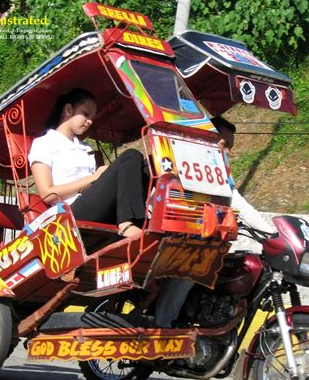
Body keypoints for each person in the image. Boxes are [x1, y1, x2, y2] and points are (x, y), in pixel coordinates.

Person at [155, 116, 273, 327]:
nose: (227, 152)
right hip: (176, 232)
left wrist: (271, 234)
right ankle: (163, 327)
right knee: (190, 266)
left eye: (231, 147)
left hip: (202, 235)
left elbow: (239, 203)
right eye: (224, 144)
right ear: (206, 139)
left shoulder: (219, 172)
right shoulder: (186, 160)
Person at [28, 88, 147, 238]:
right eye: (86, 114)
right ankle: (126, 224)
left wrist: (102, 177)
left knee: (146, 167)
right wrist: (93, 178)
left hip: (92, 200)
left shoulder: (86, 148)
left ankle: (147, 220)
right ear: (69, 109)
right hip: (70, 212)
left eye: (92, 117)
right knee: (131, 156)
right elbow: (47, 194)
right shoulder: (44, 143)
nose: (89, 121)